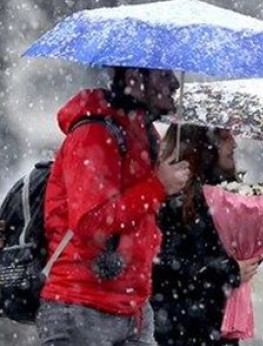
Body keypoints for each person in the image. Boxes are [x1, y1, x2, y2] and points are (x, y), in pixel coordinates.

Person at [36, 67, 190, 345]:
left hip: (133, 309)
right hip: (82, 310)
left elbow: (138, 217)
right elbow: (89, 223)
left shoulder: (144, 135)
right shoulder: (94, 134)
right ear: (134, 76)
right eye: (163, 74)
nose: (174, 83)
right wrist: (157, 187)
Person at [152, 124, 260, 346]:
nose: (234, 143)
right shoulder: (172, 198)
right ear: (202, 142)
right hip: (178, 330)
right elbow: (161, 266)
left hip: (217, 328)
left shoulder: (228, 196)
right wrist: (227, 270)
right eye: (224, 135)